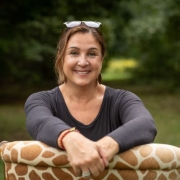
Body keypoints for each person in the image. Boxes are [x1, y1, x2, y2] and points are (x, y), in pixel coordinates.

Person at [25, 21, 157, 179]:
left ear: (101, 60)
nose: (82, 62)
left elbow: (146, 124)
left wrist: (105, 147)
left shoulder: (122, 100)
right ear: (61, 58)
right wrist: (71, 139)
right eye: (74, 53)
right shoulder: (41, 100)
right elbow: (39, 121)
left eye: (92, 54)